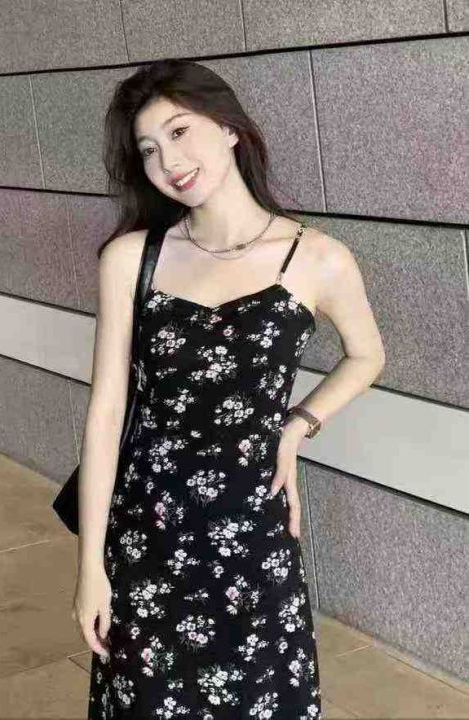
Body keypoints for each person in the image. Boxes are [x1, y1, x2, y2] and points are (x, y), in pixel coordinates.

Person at [72, 58, 386, 720]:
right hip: (147, 530)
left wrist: (297, 426)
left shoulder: (317, 258)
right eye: (148, 149)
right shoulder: (131, 258)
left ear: (230, 127)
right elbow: (106, 414)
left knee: (261, 699)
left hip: (253, 531)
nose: (167, 162)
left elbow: (367, 356)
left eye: (179, 132)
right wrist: (90, 567)